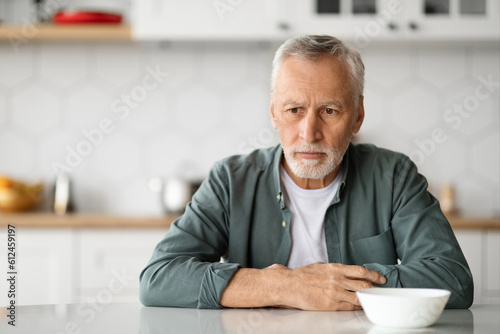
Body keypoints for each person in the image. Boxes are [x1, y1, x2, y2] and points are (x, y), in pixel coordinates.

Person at [139, 35, 473, 311]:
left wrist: (334, 285)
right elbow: (160, 278)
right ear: (273, 112)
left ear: (357, 117)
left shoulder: (394, 176)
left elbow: (452, 279)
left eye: (329, 111)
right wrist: (287, 285)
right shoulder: (230, 180)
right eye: (294, 110)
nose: (309, 132)